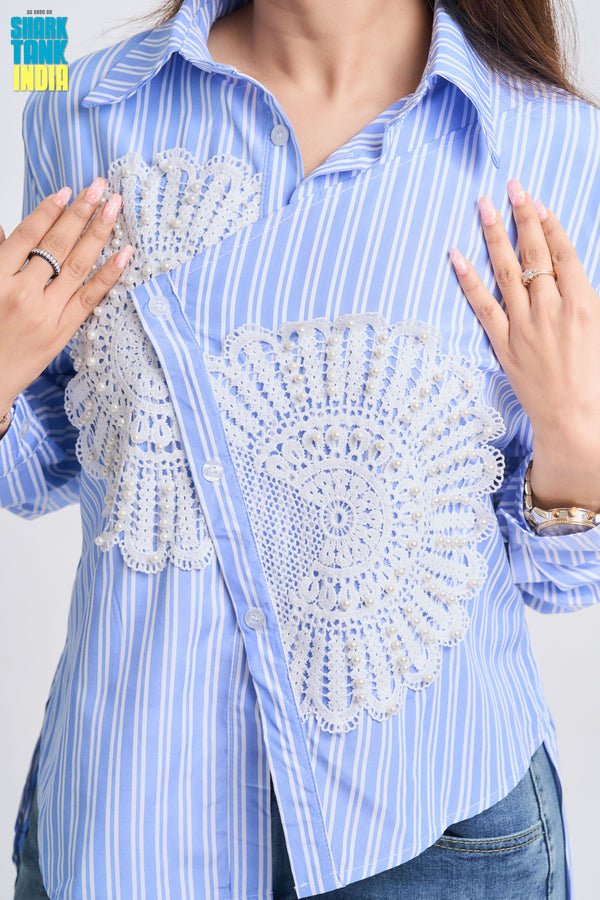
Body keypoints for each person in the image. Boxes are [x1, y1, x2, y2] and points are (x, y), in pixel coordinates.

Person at [2, 0, 600, 897]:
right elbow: (42, 464)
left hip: (431, 833)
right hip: (125, 820)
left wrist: (575, 433)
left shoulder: (557, 146)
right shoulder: (82, 106)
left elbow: (560, 578)